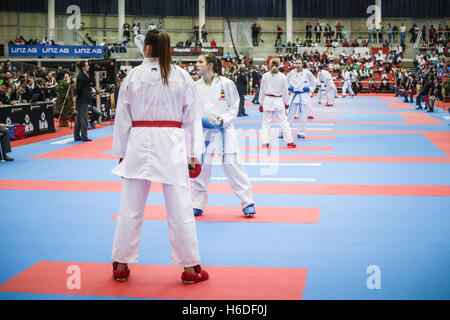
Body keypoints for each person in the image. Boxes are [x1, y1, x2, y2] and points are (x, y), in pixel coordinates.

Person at [111, 29, 209, 284]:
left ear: (147, 48)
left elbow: (122, 117)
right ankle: (190, 269)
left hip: (138, 140)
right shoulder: (181, 76)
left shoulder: (133, 76)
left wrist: (121, 153)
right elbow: (191, 120)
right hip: (172, 142)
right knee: (180, 208)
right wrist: (193, 155)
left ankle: (121, 264)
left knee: (130, 206)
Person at [191, 53, 256, 217]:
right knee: (202, 168)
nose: (196, 64)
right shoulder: (194, 86)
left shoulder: (226, 83)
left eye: (200, 62)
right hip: (203, 131)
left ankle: (247, 202)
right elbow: (190, 109)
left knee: (233, 166)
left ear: (210, 65)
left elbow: (234, 106)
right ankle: (197, 203)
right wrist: (199, 120)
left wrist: (223, 119)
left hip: (223, 131)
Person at [259, 58, 296, 148]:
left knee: (266, 123)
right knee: (284, 122)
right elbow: (285, 92)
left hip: (267, 100)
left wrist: (261, 103)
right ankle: (289, 141)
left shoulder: (265, 76)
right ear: (279, 65)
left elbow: (262, 91)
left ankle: (265, 142)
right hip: (278, 101)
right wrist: (286, 103)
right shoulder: (283, 77)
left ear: (269, 65)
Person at [284, 59, 317, 140]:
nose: (297, 65)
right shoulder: (291, 72)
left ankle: (301, 132)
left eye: (299, 63)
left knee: (303, 116)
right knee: (289, 115)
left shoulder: (307, 73)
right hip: (294, 94)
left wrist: (309, 88)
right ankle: (285, 132)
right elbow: (285, 81)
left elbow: (315, 82)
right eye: (296, 63)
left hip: (303, 95)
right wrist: (288, 87)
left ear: (302, 64)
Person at [74, 61, 93, 142]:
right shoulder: (82, 75)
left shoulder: (82, 74)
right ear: (83, 67)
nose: (88, 66)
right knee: (84, 118)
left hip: (81, 99)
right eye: (87, 65)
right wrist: (76, 96)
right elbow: (79, 88)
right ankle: (84, 137)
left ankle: (77, 136)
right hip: (83, 99)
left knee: (78, 118)